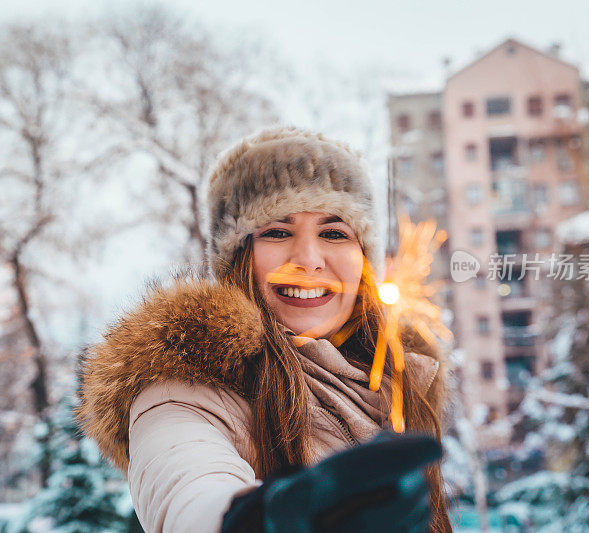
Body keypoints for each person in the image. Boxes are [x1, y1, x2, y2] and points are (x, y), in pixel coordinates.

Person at [76, 127, 452, 532]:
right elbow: (187, 488)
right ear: (238, 258)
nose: (308, 259)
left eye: (333, 232)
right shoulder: (182, 390)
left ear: (363, 261)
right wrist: (258, 518)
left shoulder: (400, 387)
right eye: (276, 231)